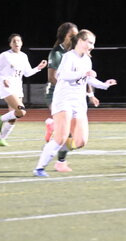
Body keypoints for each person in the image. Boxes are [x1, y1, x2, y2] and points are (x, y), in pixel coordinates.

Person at [33, 29, 117, 177]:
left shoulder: (87, 60)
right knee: (60, 139)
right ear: (80, 41)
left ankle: (53, 131)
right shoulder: (68, 57)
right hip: (63, 100)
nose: (92, 46)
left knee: (80, 142)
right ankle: (39, 168)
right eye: (90, 42)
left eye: (93, 44)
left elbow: (88, 79)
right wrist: (84, 73)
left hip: (79, 103)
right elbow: (63, 75)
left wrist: (104, 85)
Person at [43, 22, 100, 172]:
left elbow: (84, 77)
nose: (75, 38)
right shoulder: (57, 53)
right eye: (72, 35)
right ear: (64, 37)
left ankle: (59, 154)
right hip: (55, 93)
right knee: (66, 132)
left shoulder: (81, 54)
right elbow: (52, 77)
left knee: (76, 138)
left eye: (77, 35)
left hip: (72, 96)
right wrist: (68, 89)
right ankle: (60, 161)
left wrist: (90, 94)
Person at [0, 33, 47, 146]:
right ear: (10, 44)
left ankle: (1, 139)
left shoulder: (23, 56)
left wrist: (38, 68)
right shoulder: (5, 55)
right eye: (14, 41)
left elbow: (27, 73)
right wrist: (3, 79)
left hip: (18, 88)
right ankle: (0, 119)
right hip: (7, 88)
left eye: (18, 41)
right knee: (21, 111)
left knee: (15, 115)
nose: (16, 43)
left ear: (21, 43)